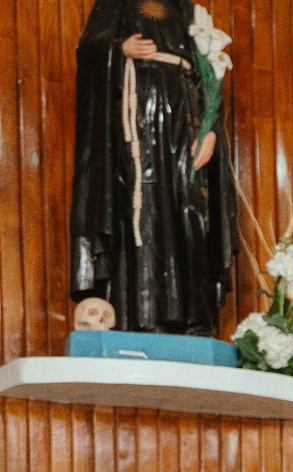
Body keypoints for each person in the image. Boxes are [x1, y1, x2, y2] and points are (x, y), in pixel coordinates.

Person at [70, 0, 235, 335]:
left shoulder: (189, 11)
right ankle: (143, 319)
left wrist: (211, 131)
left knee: (190, 211)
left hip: (186, 116)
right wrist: (119, 49)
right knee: (141, 209)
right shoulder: (116, 4)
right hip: (136, 113)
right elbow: (89, 49)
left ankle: (196, 322)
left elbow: (210, 77)